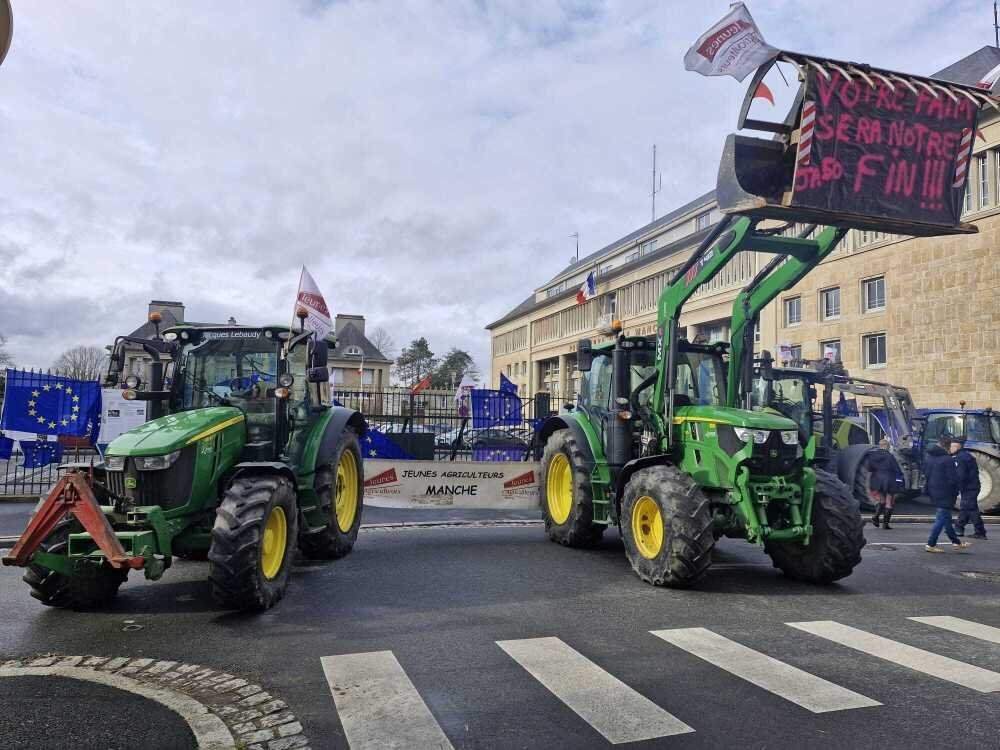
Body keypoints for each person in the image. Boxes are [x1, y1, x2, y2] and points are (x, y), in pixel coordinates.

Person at [925, 435, 972, 553]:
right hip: (945, 492)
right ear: (947, 446)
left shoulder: (930, 457)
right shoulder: (948, 459)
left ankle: (956, 542)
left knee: (946, 518)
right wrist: (956, 491)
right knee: (941, 518)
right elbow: (953, 479)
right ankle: (931, 544)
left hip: (933, 490)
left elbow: (926, 473)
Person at [951, 438, 987, 539]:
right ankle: (959, 528)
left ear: (956, 447)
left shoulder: (960, 458)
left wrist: (957, 487)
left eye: (951, 446)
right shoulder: (967, 456)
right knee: (967, 507)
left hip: (969, 487)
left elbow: (961, 475)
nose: (949, 448)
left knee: (971, 509)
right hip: (973, 486)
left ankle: (980, 532)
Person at [868, 438, 898, 529]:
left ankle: (875, 517)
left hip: (876, 480)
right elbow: (895, 469)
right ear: (886, 446)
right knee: (888, 502)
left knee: (881, 500)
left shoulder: (872, 456)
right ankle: (885, 524)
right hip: (888, 480)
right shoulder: (889, 456)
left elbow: (869, 469)